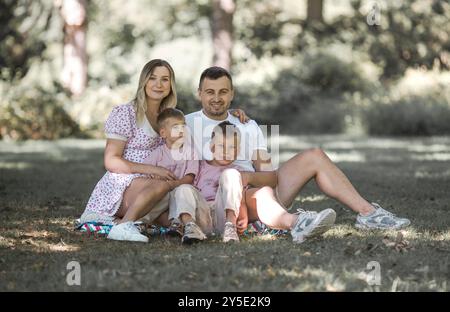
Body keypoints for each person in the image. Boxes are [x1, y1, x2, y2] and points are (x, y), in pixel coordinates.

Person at [185, 66, 411, 231]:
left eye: (222, 92)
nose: (216, 98)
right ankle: (292, 222)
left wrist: (245, 177)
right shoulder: (185, 125)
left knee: (314, 156)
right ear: (200, 93)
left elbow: (272, 178)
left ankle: (368, 214)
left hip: (254, 189)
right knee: (258, 193)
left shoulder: (247, 124)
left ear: (232, 94)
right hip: (215, 203)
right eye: (210, 92)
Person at [79, 59, 249, 243]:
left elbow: (201, 116)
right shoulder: (125, 112)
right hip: (128, 180)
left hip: (165, 182)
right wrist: (154, 171)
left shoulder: (170, 116)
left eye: (165, 79)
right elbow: (111, 161)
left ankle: (144, 223)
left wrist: (229, 112)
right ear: (143, 81)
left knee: (180, 212)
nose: (159, 84)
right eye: (153, 78)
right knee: (166, 191)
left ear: (171, 85)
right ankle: (124, 225)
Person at [173, 121, 336, 243]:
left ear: (237, 151)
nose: (226, 152)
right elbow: (187, 190)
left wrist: (241, 214)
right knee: (184, 188)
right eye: (221, 146)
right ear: (212, 147)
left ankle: (231, 226)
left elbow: (240, 195)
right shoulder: (199, 166)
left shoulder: (236, 171)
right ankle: (190, 228)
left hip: (224, 215)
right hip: (201, 215)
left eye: (231, 148)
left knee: (232, 174)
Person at [142, 107, 210, 244]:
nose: (181, 130)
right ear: (163, 133)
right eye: (175, 127)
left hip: (185, 197)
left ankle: (182, 225)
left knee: (181, 189)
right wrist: (155, 179)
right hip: (165, 198)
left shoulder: (190, 152)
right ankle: (139, 222)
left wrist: (170, 184)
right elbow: (147, 174)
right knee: (155, 196)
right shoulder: (158, 153)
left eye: (183, 126)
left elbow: (189, 178)